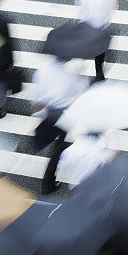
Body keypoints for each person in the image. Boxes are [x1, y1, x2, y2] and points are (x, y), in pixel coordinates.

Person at [31, 57, 88, 194]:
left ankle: (48, 176)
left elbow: (37, 96)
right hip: (63, 114)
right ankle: (48, 181)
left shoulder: (44, 69)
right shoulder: (68, 75)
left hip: (50, 111)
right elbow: (79, 92)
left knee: (53, 139)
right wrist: (81, 78)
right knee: (59, 147)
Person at [75, 0, 117, 81]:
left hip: (87, 26)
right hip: (101, 27)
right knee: (100, 53)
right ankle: (99, 74)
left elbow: (80, 5)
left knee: (85, 49)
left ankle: (81, 72)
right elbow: (113, 7)